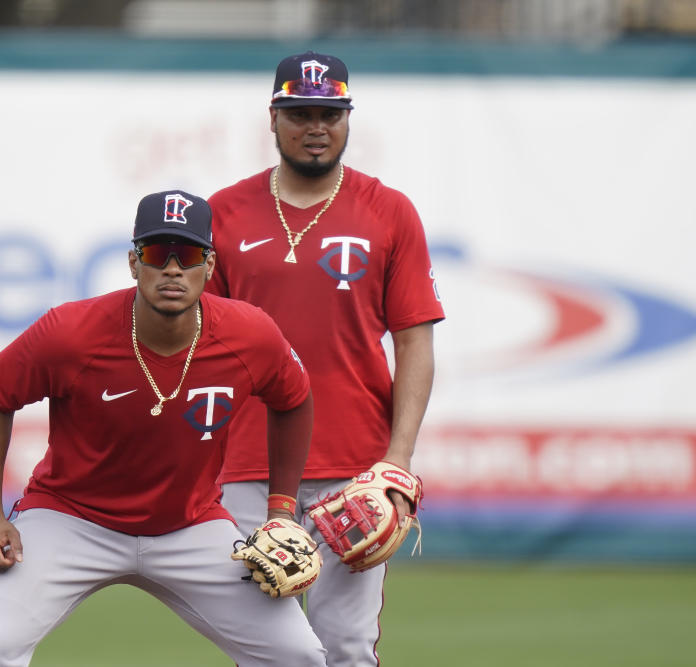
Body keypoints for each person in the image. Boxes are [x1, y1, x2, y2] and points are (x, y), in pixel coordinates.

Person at [0, 189, 327, 666]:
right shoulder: (72, 332)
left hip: (190, 524)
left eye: (187, 255)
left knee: (300, 655)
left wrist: (280, 511)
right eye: (156, 253)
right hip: (70, 518)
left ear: (210, 266)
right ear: (133, 262)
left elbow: (294, 398)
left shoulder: (249, 334)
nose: (172, 269)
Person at [206, 51, 445, 666]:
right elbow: (200, 348)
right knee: (262, 645)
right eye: (301, 112)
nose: (317, 126)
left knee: (345, 644)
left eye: (331, 113)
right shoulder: (223, 213)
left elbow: (414, 339)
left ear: (347, 117)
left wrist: (397, 460)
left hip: (355, 470)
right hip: (249, 467)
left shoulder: (388, 211)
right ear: (273, 117)